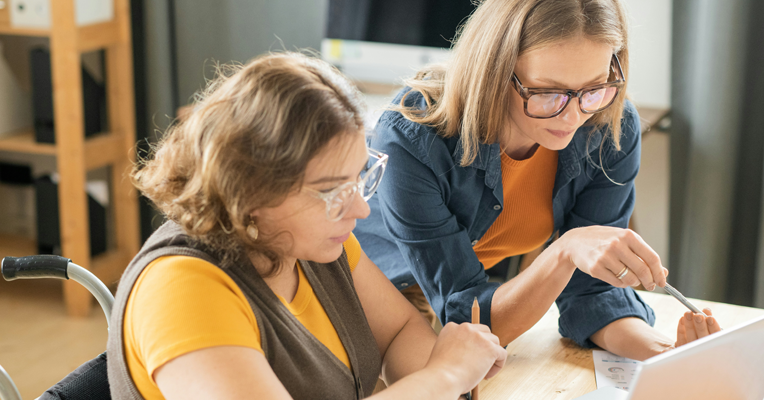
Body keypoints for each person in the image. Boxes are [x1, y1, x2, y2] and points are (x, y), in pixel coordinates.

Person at [103, 52, 507, 400]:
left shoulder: (309, 242)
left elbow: (400, 330)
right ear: (251, 189)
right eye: (331, 190)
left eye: (359, 179)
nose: (360, 212)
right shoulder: (181, 288)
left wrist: (441, 381)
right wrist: (445, 374)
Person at [354, 0, 720, 361]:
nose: (573, 116)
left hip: (480, 300)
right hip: (382, 290)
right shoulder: (413, 137)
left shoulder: (609, 124)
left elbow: (592, 294)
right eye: (548, 93)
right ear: (495, 71)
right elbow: (468, 318)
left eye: (594, 88)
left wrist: (667, 355)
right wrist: (565, 251)